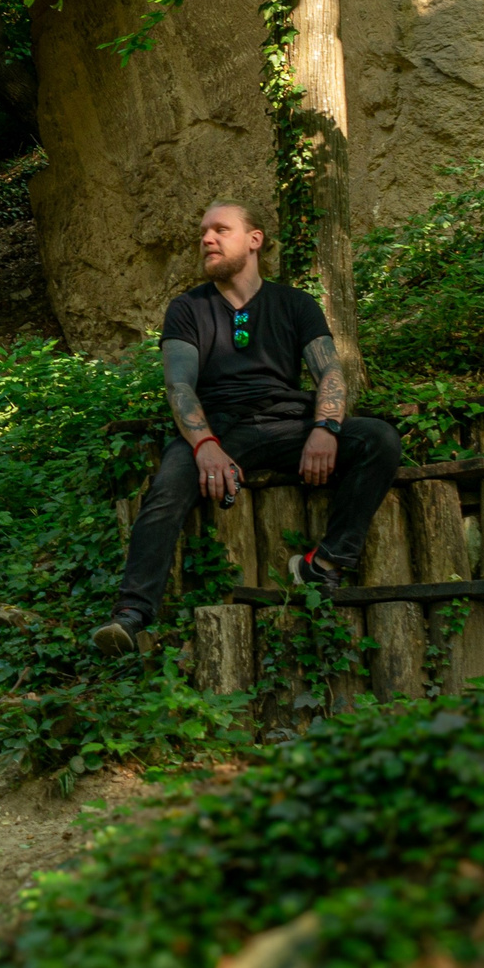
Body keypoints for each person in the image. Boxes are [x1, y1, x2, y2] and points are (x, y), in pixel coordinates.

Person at [94, 200, 401, 658]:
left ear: (254, 239)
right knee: (167, 489)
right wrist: (206, 445)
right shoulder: (187, 308)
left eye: (221, 229)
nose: (206, 239)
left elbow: (332, 375)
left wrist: (325, 428)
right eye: (203, 232)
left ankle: (327, 562)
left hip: (288, 426)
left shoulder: (295, 304)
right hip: (219, 430)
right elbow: (179, 386)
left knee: (378, 438)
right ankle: (132, 615)